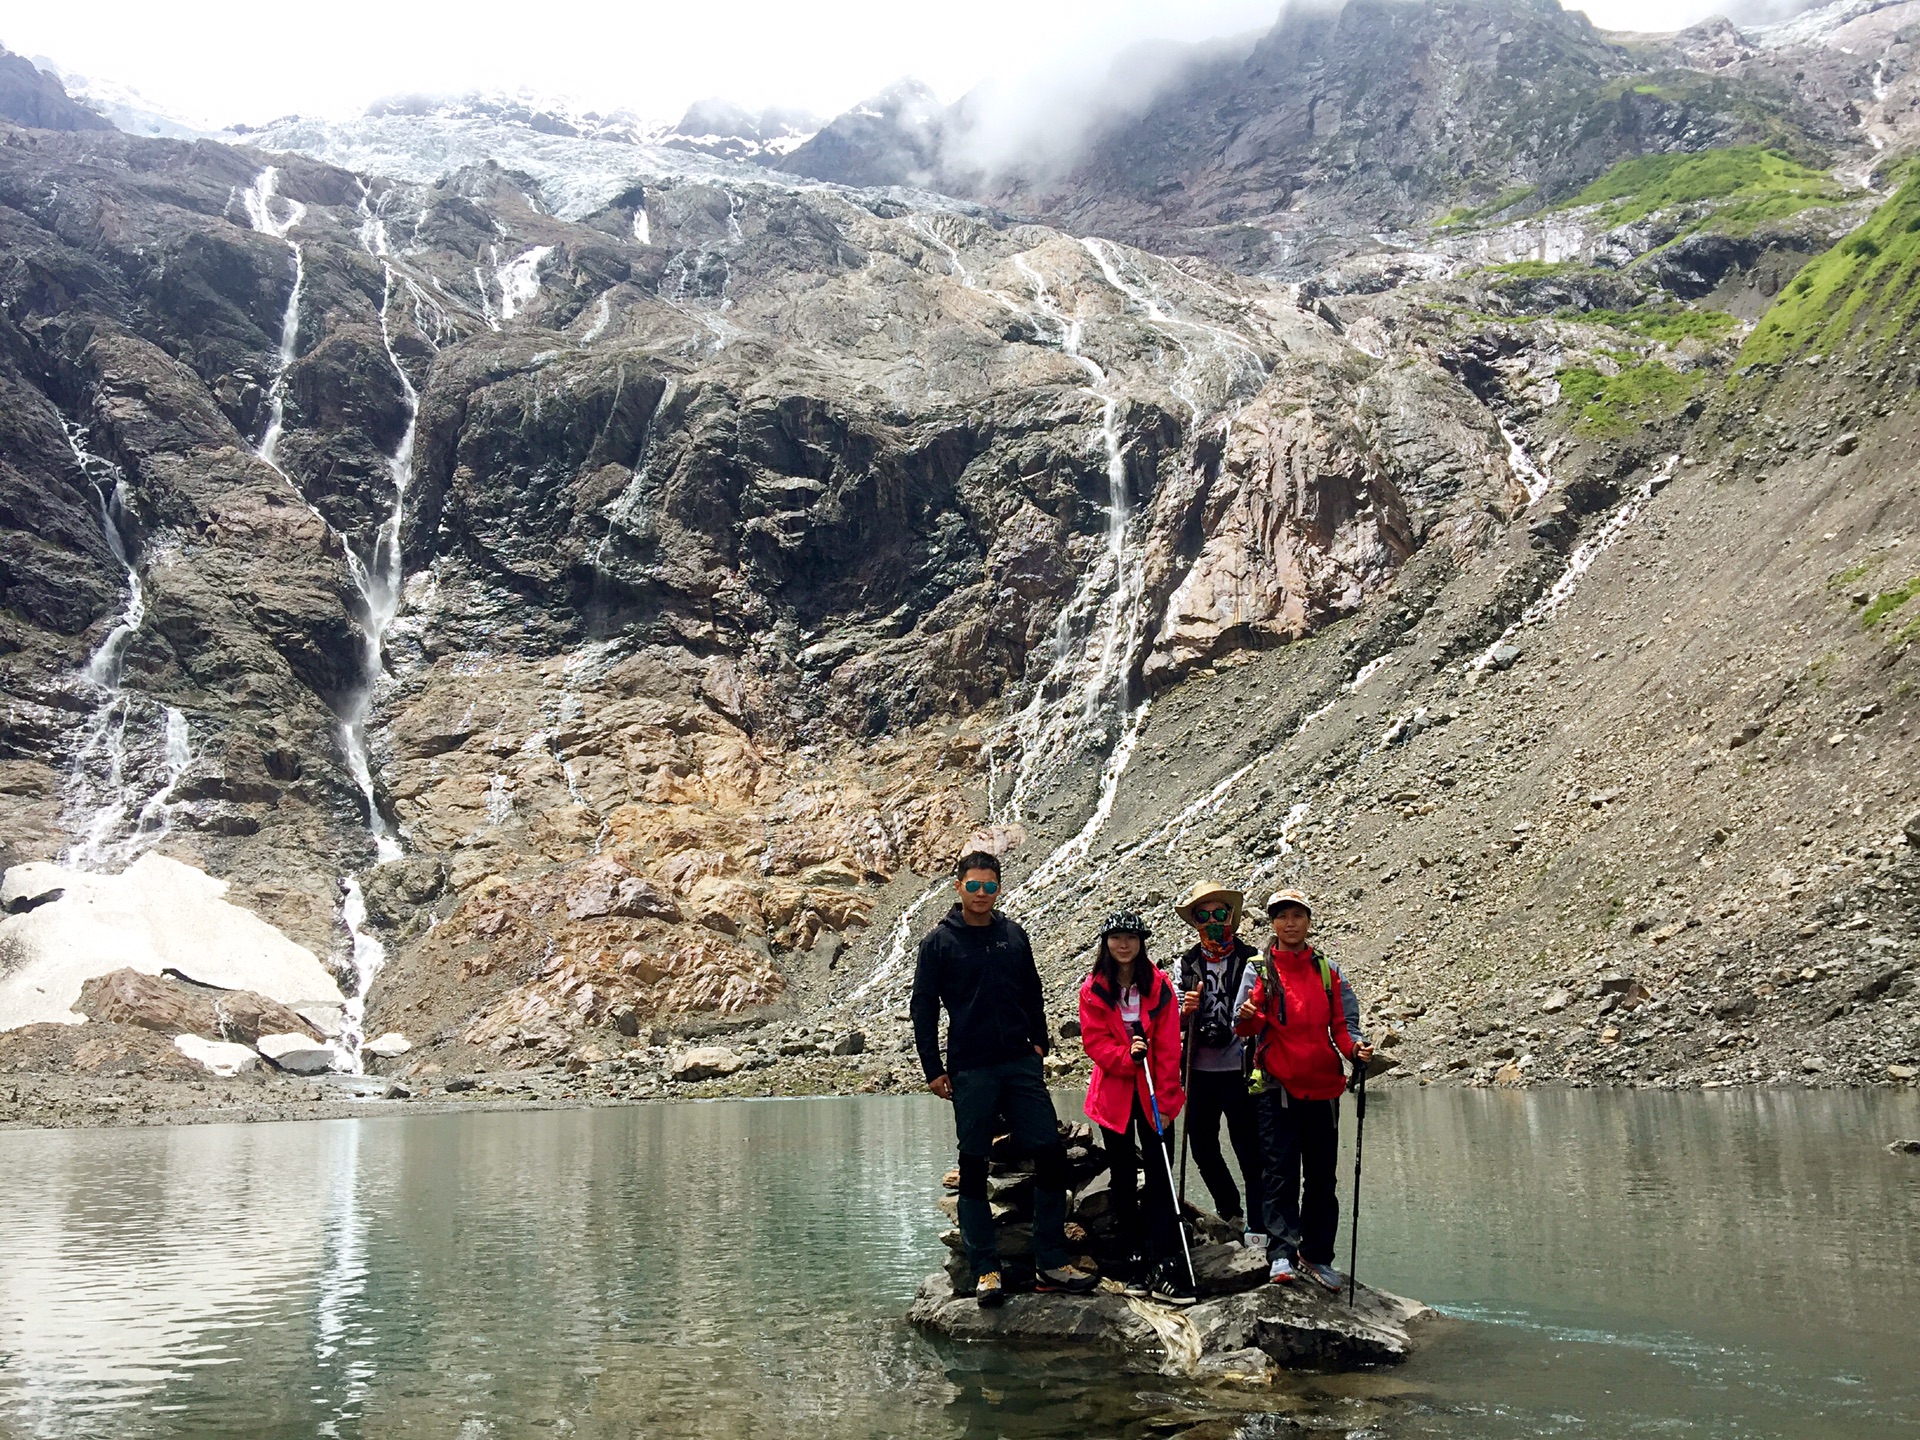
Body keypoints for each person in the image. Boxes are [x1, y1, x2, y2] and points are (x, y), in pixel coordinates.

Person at [911, 850, 1099, 1308]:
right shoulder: (939, 943)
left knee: (1050, 1154)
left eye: (989, 886)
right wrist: (933, 1069)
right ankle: (986, 1270)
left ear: (999, 888)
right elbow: (923, 1008)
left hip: (1020, 1062)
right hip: (970, 1068)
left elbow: (1032, 990)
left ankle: (1050, 1262)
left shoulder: (1013, 935)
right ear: (958, 887)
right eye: (973, 885)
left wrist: (1040, 1044)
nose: (980, 894)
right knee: (973, 1162)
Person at [1233, 888, 1375, 1291]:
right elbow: (1241, 1028)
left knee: (1320, 1179)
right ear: (1272, 923)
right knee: (1279, 1175)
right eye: (1281, 916)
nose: (1289, 923)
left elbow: (1344, 1025)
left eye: (1297, 915)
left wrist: (1355, 1050)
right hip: (1278, 1087)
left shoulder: (1327, 971)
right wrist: (1247, 1015)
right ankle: (1281, 1253)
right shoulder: (1258, 969)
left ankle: (1315, 1254)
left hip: (1324, 1089)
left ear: (1308, 921)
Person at [1077, 910, 1196, 1306]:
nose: (1123, 944)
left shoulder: (1160, 987)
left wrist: (1167, 1101)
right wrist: (1128, 1057)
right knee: (1124, 1178)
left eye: (1131, 937)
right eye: (1116, 937)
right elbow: (1094, 1043)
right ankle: (1135, 1257)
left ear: (1142, 941)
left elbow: (1168, 1049)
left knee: (1161, 1177)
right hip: (1114, 1096)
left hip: (1154, 1095)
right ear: (1106, 943)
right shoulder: (1093, 989)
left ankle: (1164, 1257)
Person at [1173, 882, 1267, 1251]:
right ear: (1195, 921)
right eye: (1204, 915)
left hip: (1240, 1067)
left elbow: (1267, 1010)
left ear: (1232, 917)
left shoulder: (1253, 958)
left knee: (1249, 1147)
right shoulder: (1187, 962)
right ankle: (1231, 1211)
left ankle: (1258, 1224)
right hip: (1198, 1069)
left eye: (1219, 914)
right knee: (1203, 1146)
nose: (1213, 921)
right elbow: (1174, 1019)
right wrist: (1185, 1011)